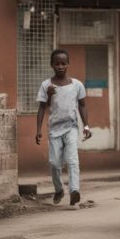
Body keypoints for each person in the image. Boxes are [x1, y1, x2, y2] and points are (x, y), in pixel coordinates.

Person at [36, 49, 91, 206]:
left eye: (63, 63)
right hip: (54, 130)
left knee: (73, 160)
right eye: (57, 63)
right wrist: (39, 130)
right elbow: (42, 108)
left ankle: (74, 191)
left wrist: (86, 126)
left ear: (68, 64)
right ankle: (59, 189)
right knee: (54, 163)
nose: (60, 66)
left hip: (71, 127)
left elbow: (82, 106)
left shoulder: (77, 85)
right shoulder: (46, 85)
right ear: (52, 65)